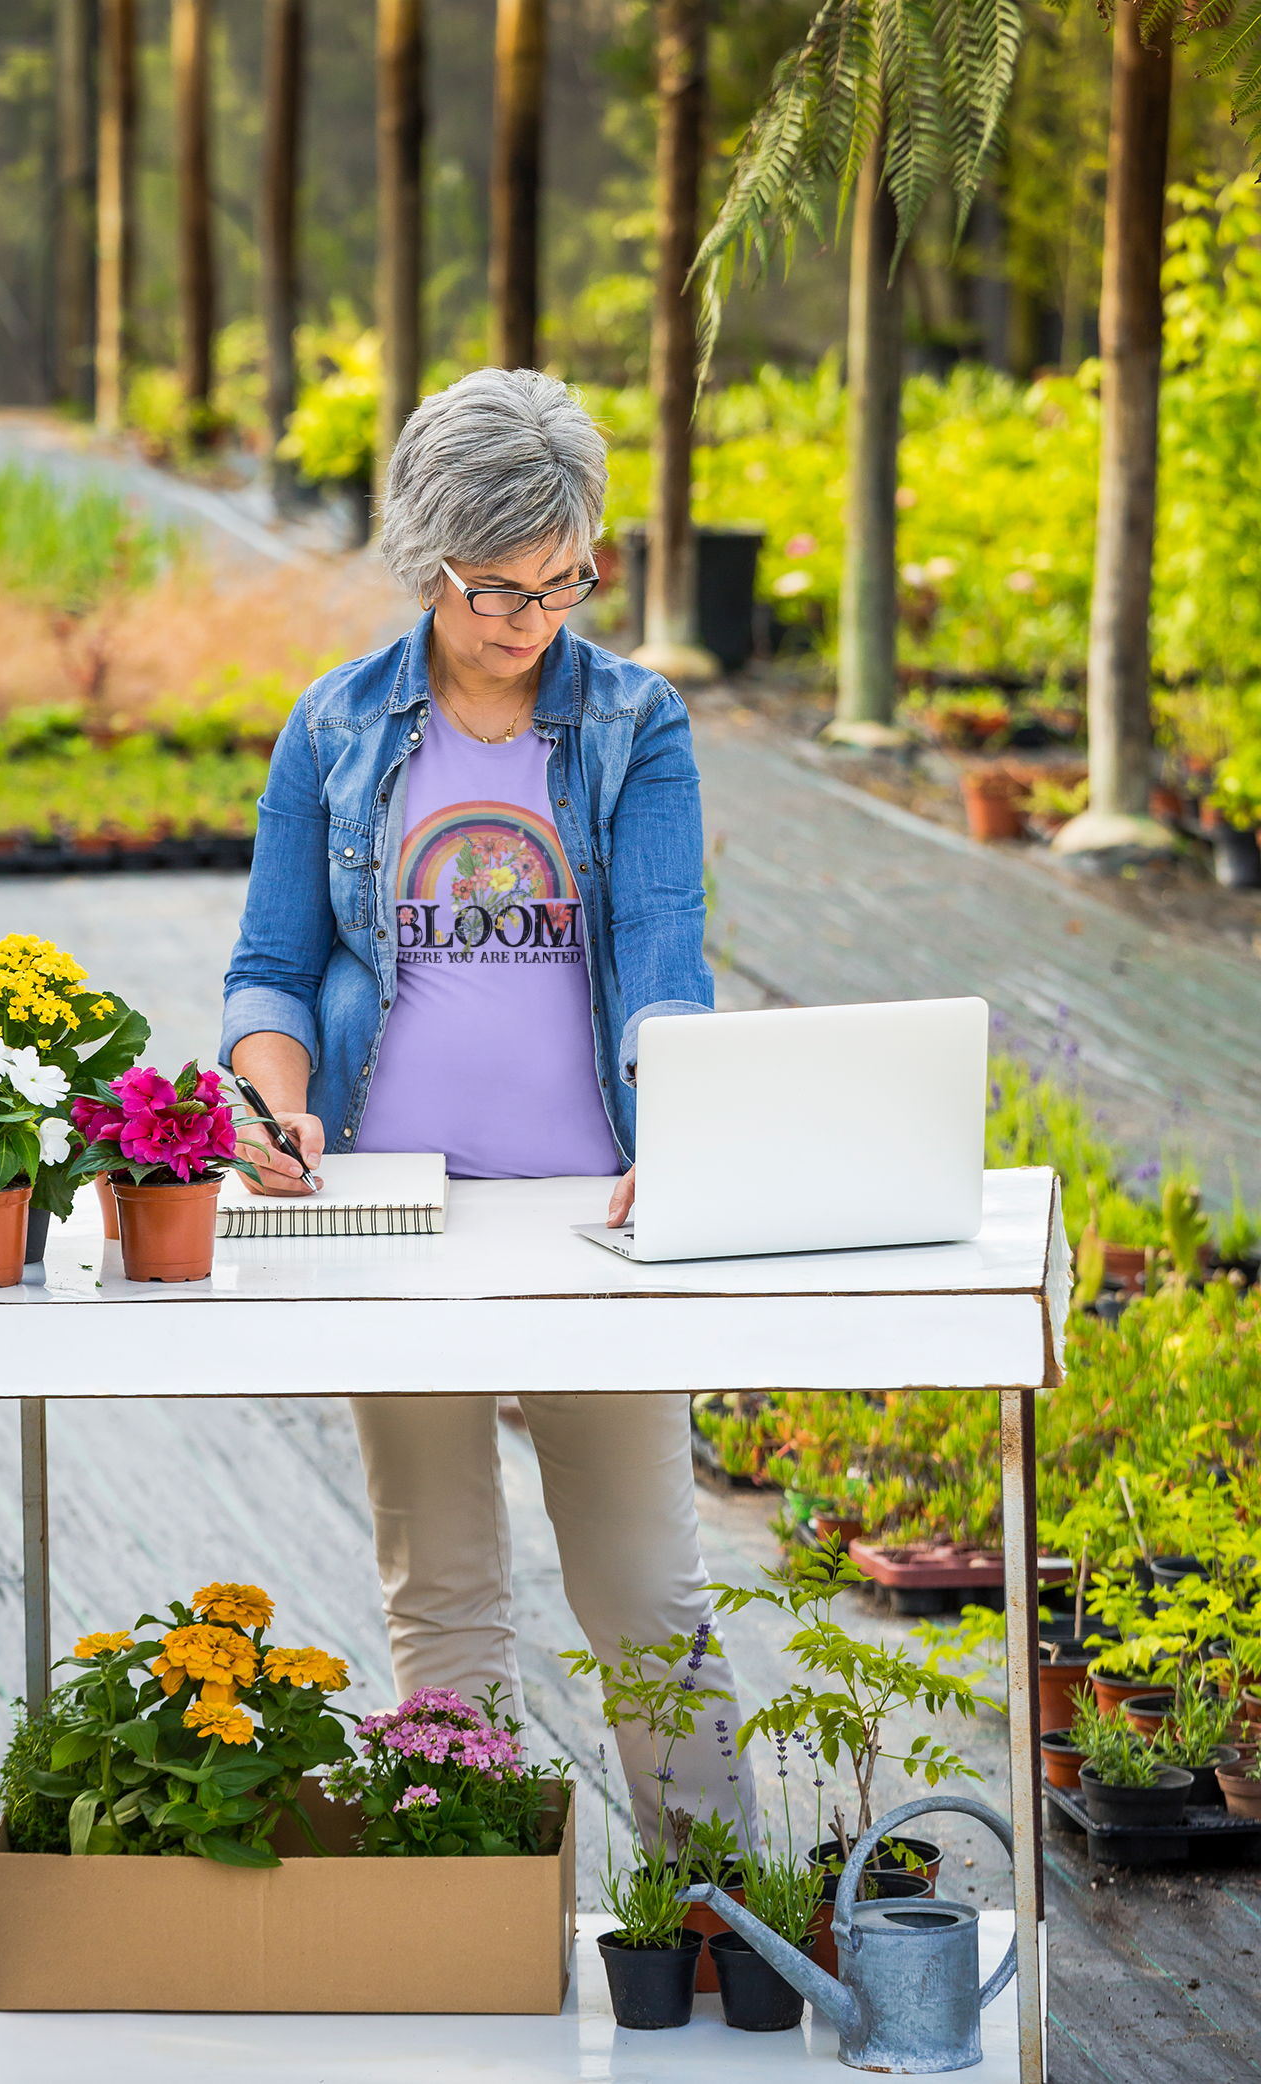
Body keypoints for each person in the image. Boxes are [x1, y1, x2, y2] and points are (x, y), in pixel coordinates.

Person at [221, 367, 755, 1847]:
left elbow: (662, 957)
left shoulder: (637, 724)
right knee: (444, 1597)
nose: (531, 618)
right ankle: (476, 1936)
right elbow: (270, 969)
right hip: (396, 1216)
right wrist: (274, 1108)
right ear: (425, 559)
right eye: (494, 587)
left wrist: (683, 1138)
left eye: (564, 579)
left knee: (647, 1596)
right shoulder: (334, 731)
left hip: (591, 1223)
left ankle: (724, 1924)